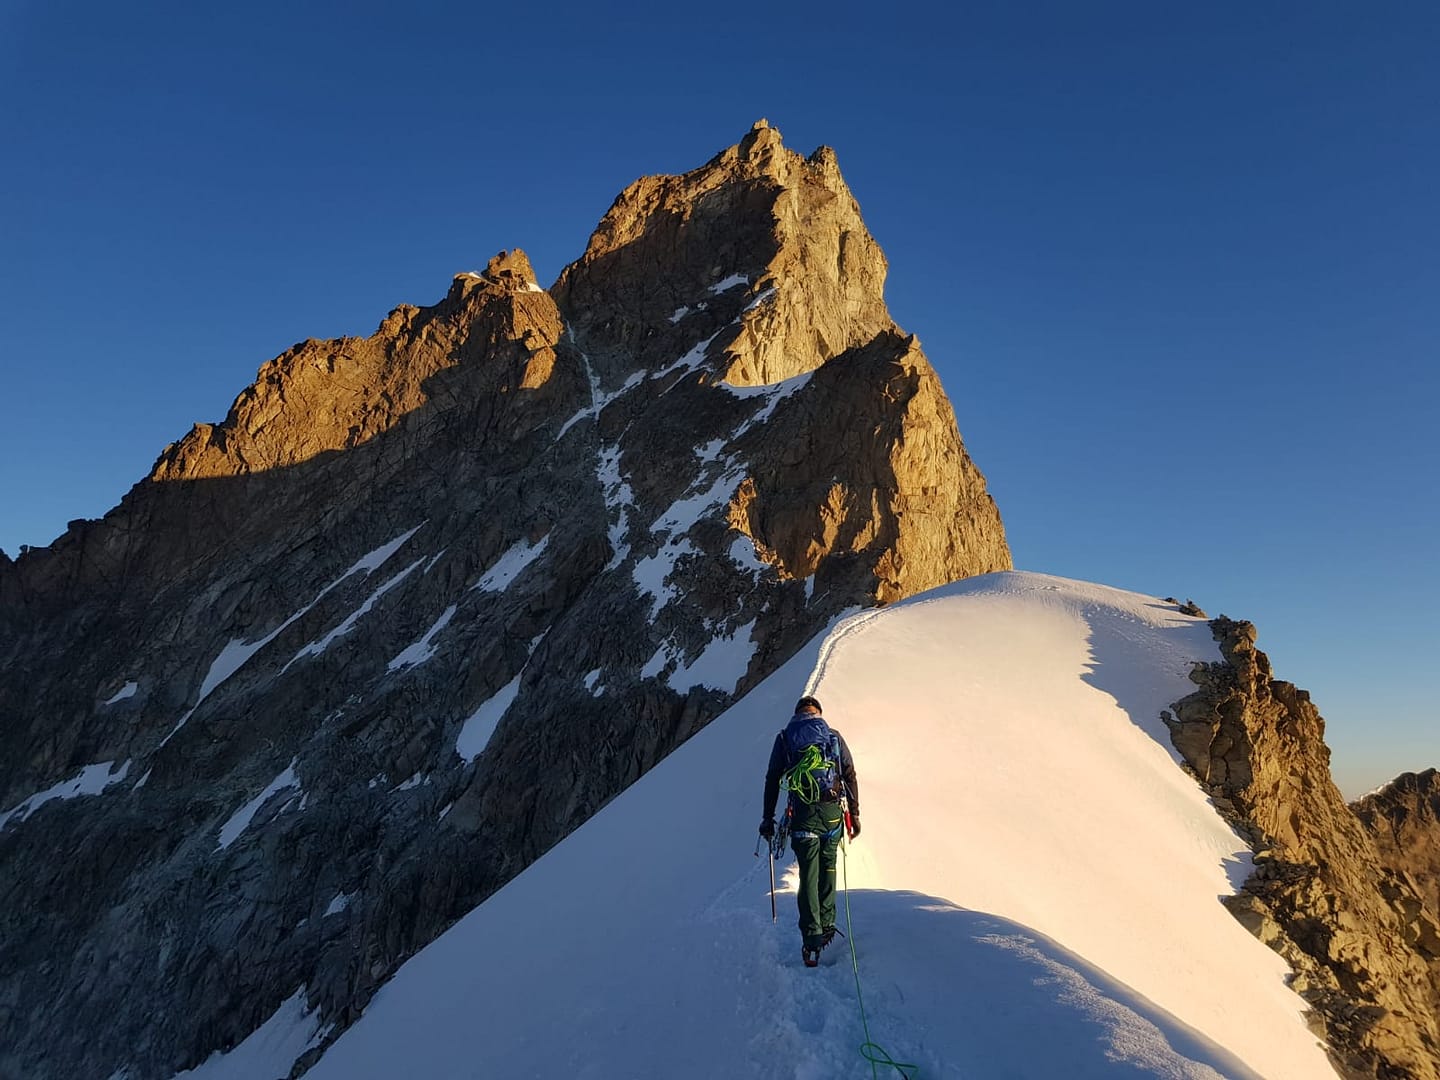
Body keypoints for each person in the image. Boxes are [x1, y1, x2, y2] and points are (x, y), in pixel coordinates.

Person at [760, 695, 860, 967]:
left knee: (808, 874)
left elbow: (772, 778)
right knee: (829, 868)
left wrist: (768, 818)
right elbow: (849, 774)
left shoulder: (785, 738)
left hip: (803, 816)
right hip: (832, 814)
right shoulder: (833, 737)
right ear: (818, 713)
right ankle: (827, 926)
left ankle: (812, 940)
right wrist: (854, 814)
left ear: (797, 713)